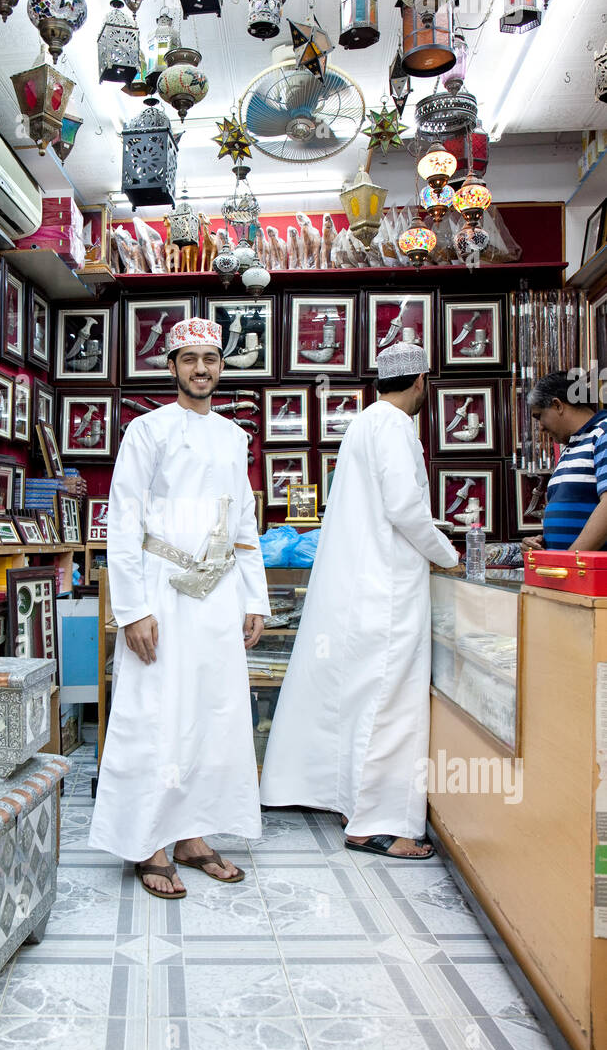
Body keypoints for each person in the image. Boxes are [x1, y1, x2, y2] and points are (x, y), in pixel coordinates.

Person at [88, 317, 271, 897]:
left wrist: (255, 597)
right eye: (188, 359)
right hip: (161, 593)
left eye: (210, 360)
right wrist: (132, 609)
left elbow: (243, 523)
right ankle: (148, 842)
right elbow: (122, 522)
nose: (200, 369)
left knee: (212, 714)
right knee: (155, 713)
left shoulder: (233, 436)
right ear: (171, 368)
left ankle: (192, 836)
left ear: (222, 367)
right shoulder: (147, 431)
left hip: (217, 595)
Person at [260, 343, 459, 860]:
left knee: (360, 698)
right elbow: (406, 510)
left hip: (361, 588)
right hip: (387, 589)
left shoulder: (364, 423)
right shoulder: (396, 428)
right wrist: (449, 556)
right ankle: (376, 824)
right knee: (388, 704)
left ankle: (355, 803)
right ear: (421, 382)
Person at [521, 370, 607, 553]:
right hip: (569, 572)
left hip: (589, 574)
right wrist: (542, 542)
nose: (541, 427)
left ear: (557, 405)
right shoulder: (571, 446)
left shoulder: (602, 433)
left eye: (539, 416)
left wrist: (569, 561)